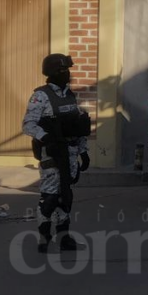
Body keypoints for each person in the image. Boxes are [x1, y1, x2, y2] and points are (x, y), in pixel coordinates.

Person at [22, 54, 91, 253]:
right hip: (51, 153)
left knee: (65, 195)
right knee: (50, 197)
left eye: (67, 70)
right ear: (52, 73)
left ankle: (64, 238)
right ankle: (44, 238)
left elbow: (77, 127)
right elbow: (28, 125)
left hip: (69, 152)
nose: (67, 74)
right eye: (62, 71)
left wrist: (83, 152)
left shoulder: (70, 95)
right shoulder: (40, 96)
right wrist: (46, 138)